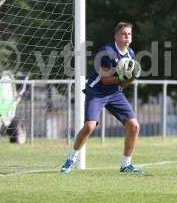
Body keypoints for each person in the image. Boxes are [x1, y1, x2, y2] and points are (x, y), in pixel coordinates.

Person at [60, 22, 143, 175]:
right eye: (124, 33)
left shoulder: (130, 54)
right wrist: (124, 78)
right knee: (90, 127)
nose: (127, 36)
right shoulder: (107, 52)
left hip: (115, 93)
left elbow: (123, 84)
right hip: (97, 92)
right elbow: (105, 79)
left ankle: (126, 164)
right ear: (116, 36)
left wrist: (131, 79)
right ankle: (71, 159)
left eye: (129, 34)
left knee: (134, 126)